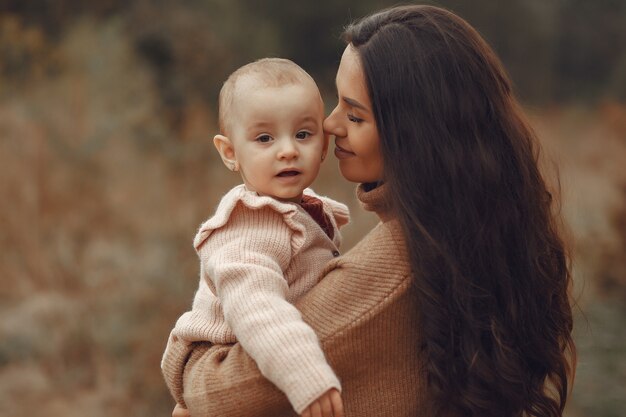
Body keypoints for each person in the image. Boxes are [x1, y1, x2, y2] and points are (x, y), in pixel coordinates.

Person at [166, 5, 577, 417]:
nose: (330, 125)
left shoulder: (386, 273)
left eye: (354, 113)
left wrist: (188, 359)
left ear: (412, 134)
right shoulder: (468, 233)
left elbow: (217, 394)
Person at [161, 58, 348, 417]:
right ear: (230, 152)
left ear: (324, 145)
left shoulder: (300, 211)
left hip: (260, 356)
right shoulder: (249, 225)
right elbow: (257, 308)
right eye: (265, 138)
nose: (288, 150)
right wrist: (304, 373)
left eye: (303, 134)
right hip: (222, 352)